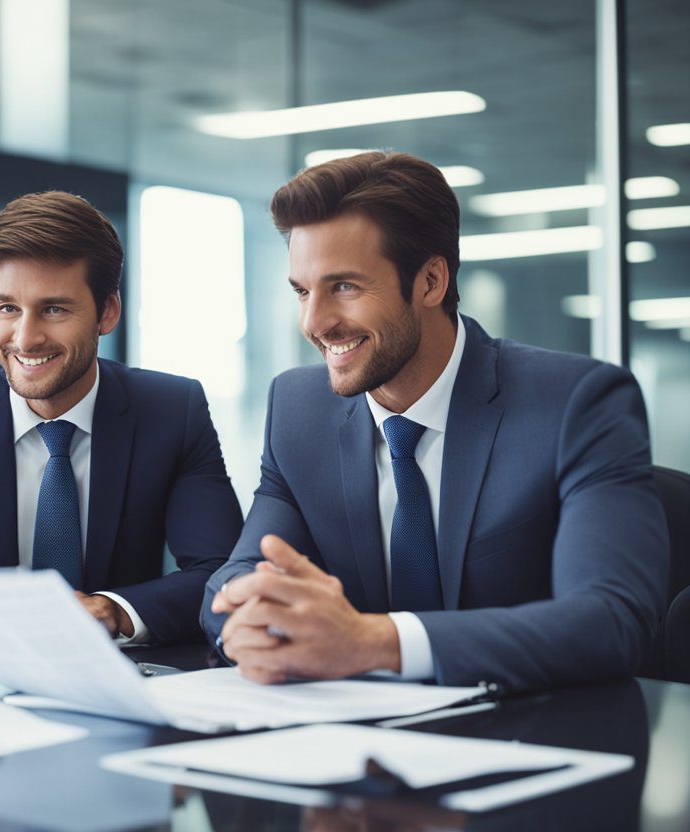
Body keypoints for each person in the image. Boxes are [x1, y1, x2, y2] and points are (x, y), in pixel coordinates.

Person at [202, 151, 668, 694]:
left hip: (531, 740)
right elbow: (235, 580)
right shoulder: (298, 407)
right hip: (350, 748)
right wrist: (251, 616)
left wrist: (375, 641)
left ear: (430, 281)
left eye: (345, 287)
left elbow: (611, 622)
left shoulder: (576, 404)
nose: (316, 322)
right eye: (303, 291)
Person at [0, 191, 243, 646]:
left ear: (107, 312)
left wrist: (114, 611)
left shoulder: (172, 411)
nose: (25, 338)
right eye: (7, 308)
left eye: (53, 309)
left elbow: (223, 578)